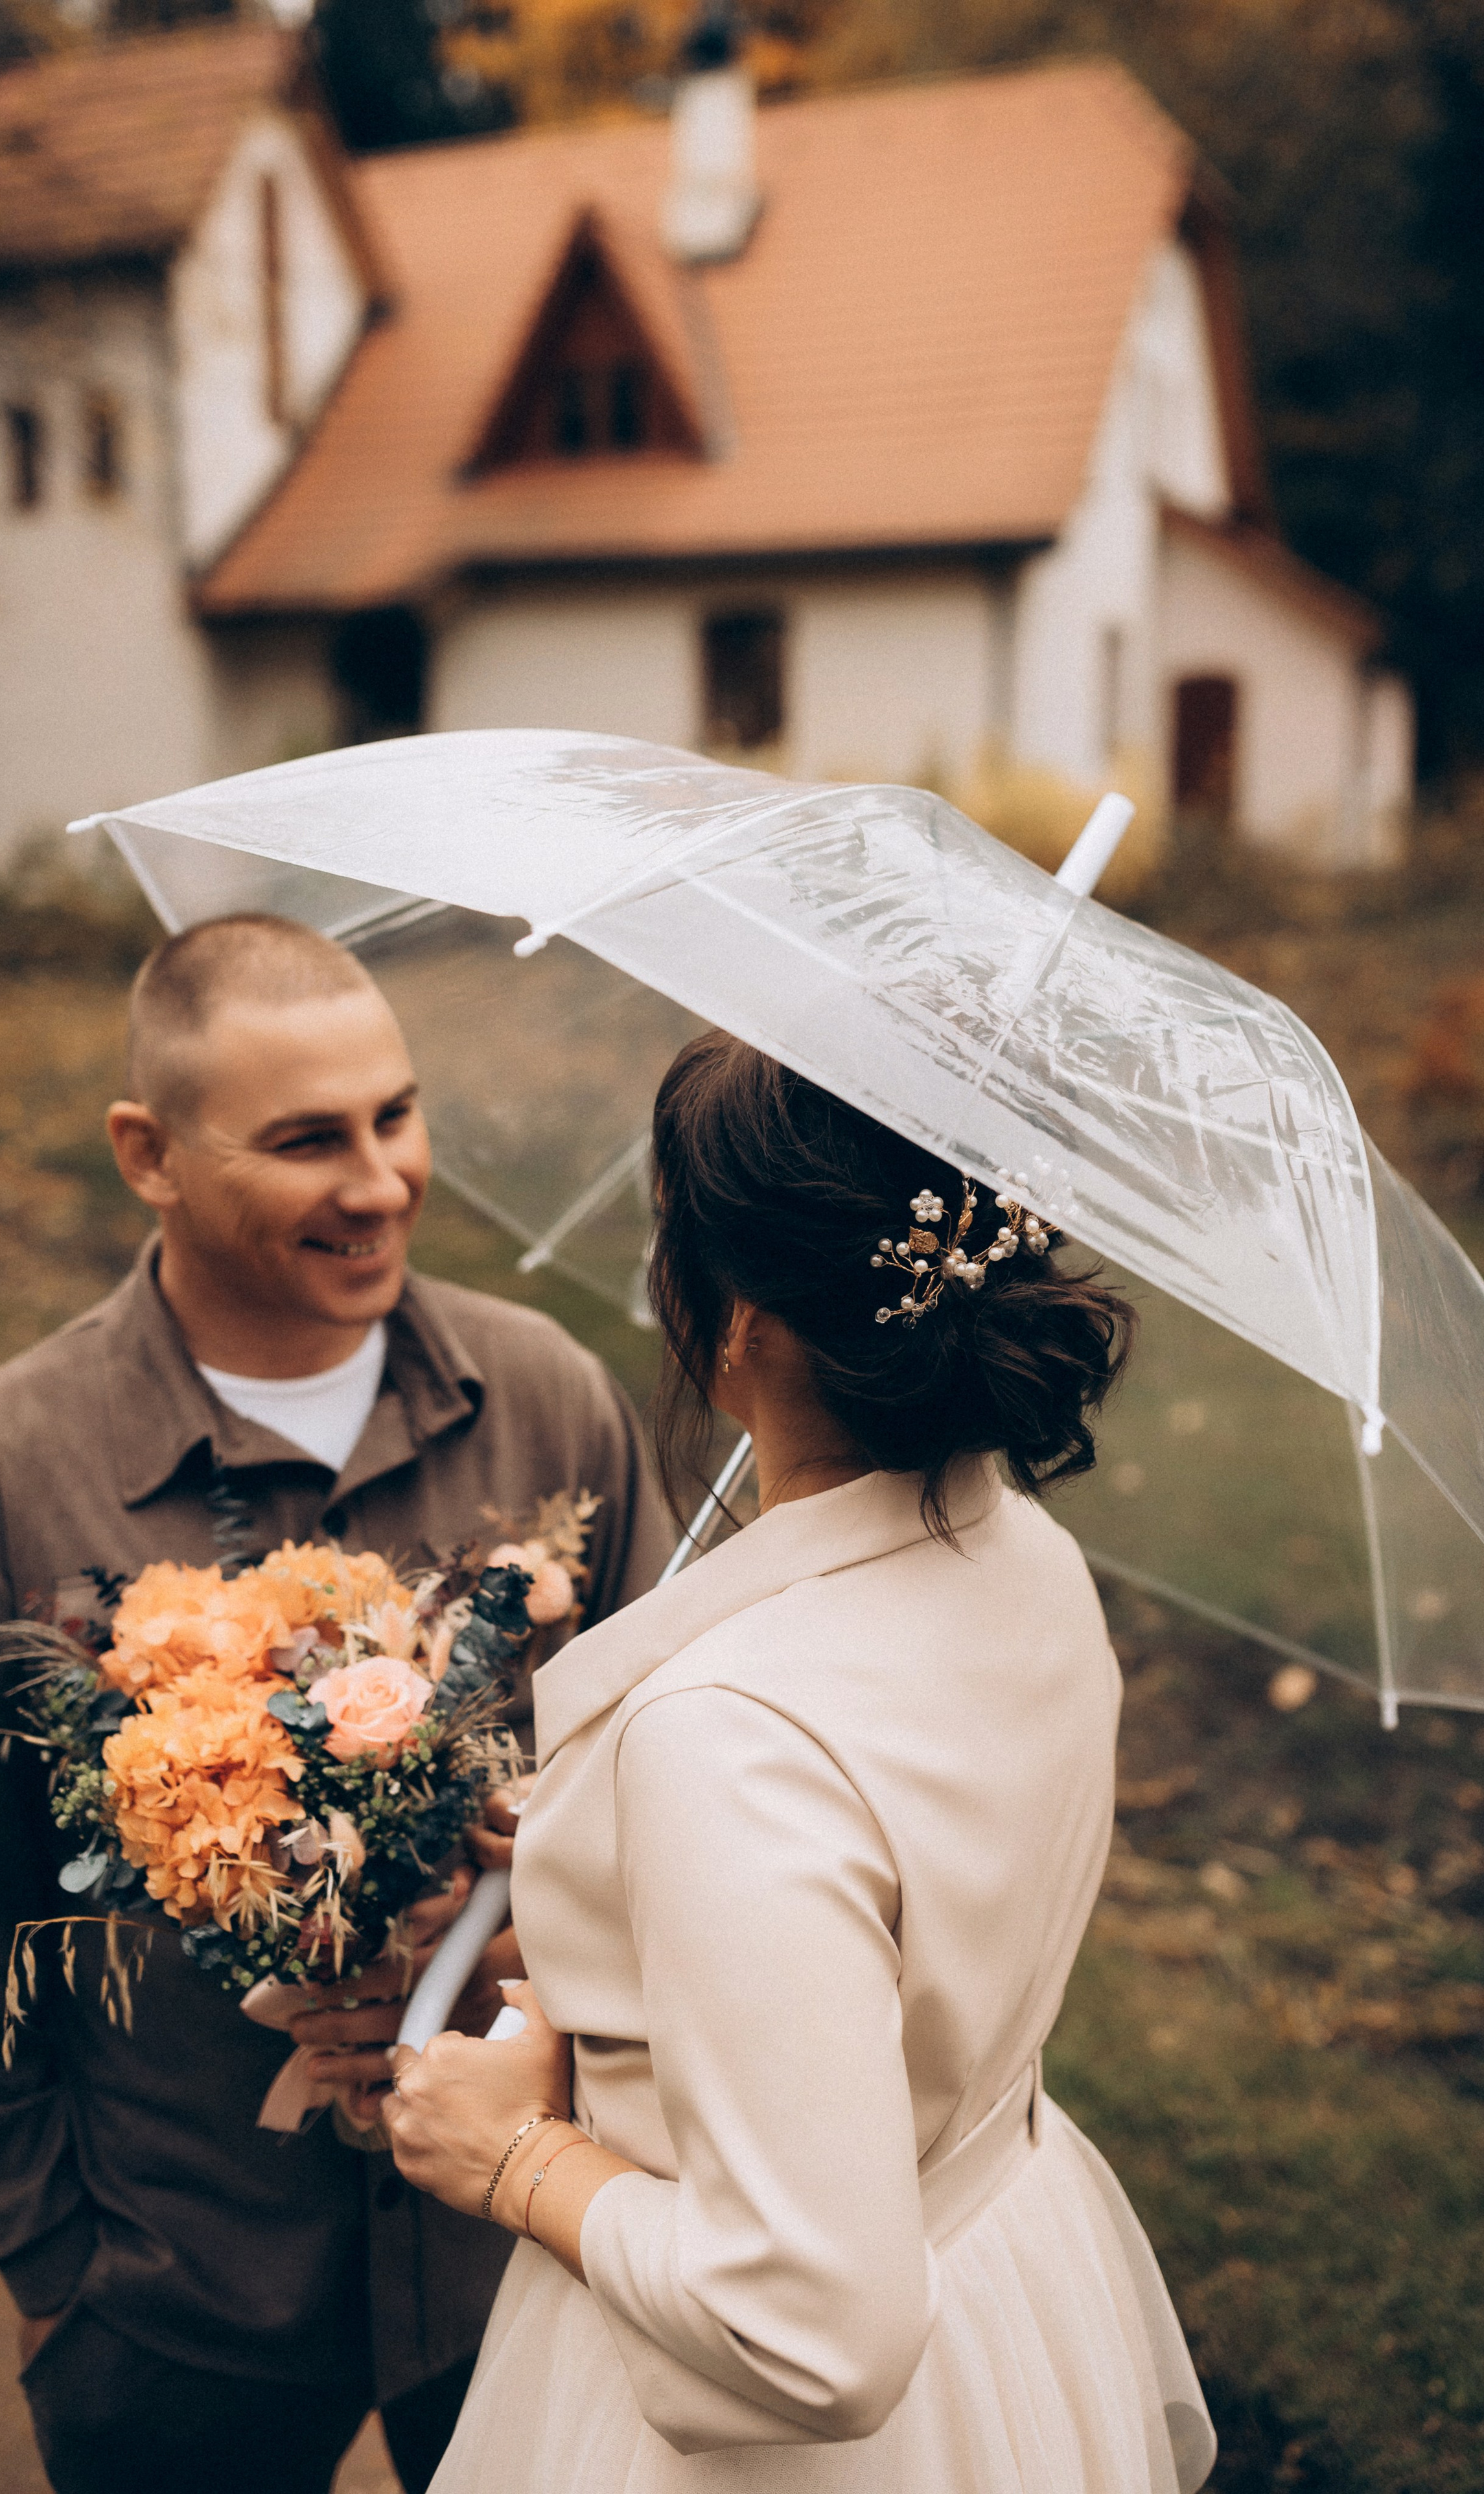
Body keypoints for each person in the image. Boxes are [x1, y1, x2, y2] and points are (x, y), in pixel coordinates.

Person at [0, 913, 669, 2494]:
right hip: (178, 2299)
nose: (378, 1181)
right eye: (308, 1140)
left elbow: (663, 1824)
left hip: (518, 2273)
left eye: (394, 1115)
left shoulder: (553, 1402)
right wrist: (58, 2280)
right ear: (147, 1153)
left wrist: (514, 1964)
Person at [373, 1029, 1218, 2493]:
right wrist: (612, 1909)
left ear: (733, 1324)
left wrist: (513, 2157)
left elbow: (813, 2328)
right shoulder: (1027, 1559)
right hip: (995, 2279)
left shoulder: (727, 1738)